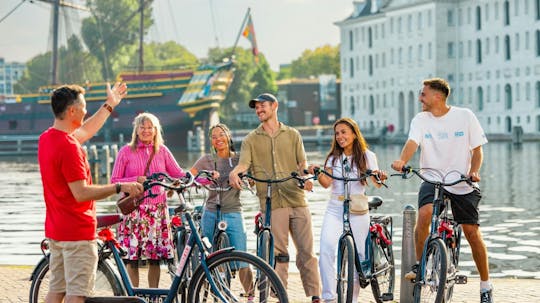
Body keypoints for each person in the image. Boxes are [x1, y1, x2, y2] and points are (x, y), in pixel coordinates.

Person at [38, 83, 144, 303]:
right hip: (77, 232)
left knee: (57, 290)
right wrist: (120, 187)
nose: (86, 111)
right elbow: (81, 193)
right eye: (84, 107)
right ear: (72, 111)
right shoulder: (69, 147)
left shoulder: (47, 138)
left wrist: (109, 105)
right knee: (77, 295)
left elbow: (86, 130)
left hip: (57, 230)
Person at [391, 78, 493, 303]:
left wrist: (474, 171)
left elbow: (477, 151)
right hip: (432, 177)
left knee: (472, 233)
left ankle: (486, 286)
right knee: (425, 215)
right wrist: (402, 160)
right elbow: (412, 143)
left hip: (462, 180)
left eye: (423, 94)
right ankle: (422, 266)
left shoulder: (464, 116)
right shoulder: (420, 119)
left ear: (437, 96)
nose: (420, 98)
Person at [229, 93, 322, 303]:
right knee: (279, 254)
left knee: (307, 251)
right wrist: (236, 172)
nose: (259, 110)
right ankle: (281, 296)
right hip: (272, 201)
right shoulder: (251, 139)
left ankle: (315, 295)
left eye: (262, 106)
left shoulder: (293, 135)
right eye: (256, 107)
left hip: (297, 198)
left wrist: (307, 177)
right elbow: (244, 164)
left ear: (275, 106)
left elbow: (301, 164)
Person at [308, 117, 386, 303]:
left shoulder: (367, 156)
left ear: (353, 133)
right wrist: (318, 173)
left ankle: (352, 299)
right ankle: (329, 298)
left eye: (344, 132)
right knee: (326, 249)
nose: (340, 136)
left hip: (357, 209)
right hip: (335, 208)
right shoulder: (334, 158)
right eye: (337, 133)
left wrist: (379, 176)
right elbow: (327, 184)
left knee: (358, 256)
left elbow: (376, 182)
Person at [111, 112, 185, 288]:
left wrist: (201, 177)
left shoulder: (163, 151)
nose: (146, 131)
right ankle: (134, 297)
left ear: (155, 130)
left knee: (155, 258)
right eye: (142, 127)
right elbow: (114, 181)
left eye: (149, 127)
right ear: (136, 130)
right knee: (132, 259)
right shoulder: (125, 152)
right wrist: (136, 180)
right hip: (134, 211)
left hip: (158, 211)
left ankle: (154, 297)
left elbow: (179, 174)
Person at [190, 123, 254, 300]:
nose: (218, 139)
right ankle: (215, 292)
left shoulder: (240, 159)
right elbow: (190, 177)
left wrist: (247, 180)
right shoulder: (206, 160)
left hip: (233, 211)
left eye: (221, 135)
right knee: (210, 258)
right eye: (214, 137)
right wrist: (205, 177)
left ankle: (250, 295)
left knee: (242, 258)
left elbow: (252, 177)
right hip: (210, 212)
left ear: (229, 136)